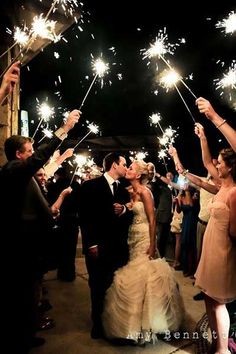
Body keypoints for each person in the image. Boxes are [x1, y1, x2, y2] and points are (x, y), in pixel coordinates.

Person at [1, 109, 80, 354]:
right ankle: (19, 340)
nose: (34, 156)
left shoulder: (21, 174)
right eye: (30, 152)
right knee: (22, 295)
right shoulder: (14, 170)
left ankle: (26, 334)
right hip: (19, 247)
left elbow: (42, 165)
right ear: (18, 155)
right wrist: (64, 129)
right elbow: (41, 159)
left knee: (29, 293)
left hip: (29, 246)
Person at [102, 160, 184, 345]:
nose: (127, 170)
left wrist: (153, 245)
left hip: (145, 237)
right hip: (132, 237)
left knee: (145, 275)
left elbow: (153, 220)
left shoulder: (146, 192)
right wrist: (126, 208)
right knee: (136, 272)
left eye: (130, 168)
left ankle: (147, 324)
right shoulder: (130, 192)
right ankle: (133, 323)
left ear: (138, 175)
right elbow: (130, 211)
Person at [79, 152, 133, 339]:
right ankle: (98, 325)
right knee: (97, 285)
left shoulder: (124, 190)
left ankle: (113, 324)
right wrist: (91, 244)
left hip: (118, 247)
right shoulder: (91, 186)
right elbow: (84, 217)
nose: (126, 167)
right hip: (98, 246)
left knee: (115, 286)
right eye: (124, 164)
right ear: (114, 165)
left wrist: (124, 210)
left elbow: (131, 218)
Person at [194, 148, 236, 354]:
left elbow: (235, 231)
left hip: (223, 252)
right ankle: (215, 343)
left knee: (219, 303)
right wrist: (202, 138)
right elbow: (206, 164)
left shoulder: (235, 192)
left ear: (230, 167)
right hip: (210, 249)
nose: (216, 165)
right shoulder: (221, 186)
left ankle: (222, 350)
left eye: (219, 162)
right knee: (208, 298)